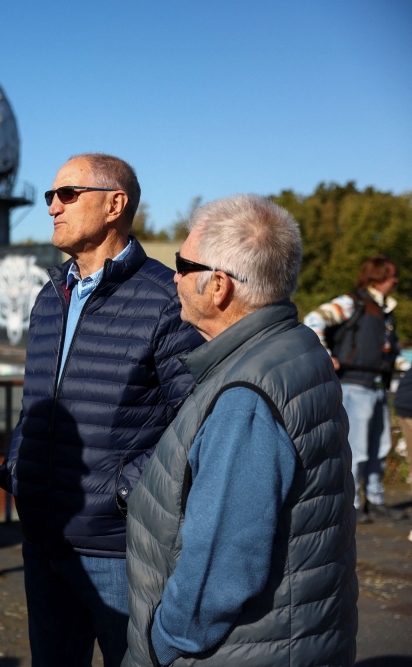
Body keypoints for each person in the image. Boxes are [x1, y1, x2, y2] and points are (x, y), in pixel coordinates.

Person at [123, 195, 358, 667]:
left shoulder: (245, 398)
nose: (173, 277)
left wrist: (161, 644)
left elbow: (220, 572)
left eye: (182, 264)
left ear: (219, 287)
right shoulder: (291, 348)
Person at [0, 154, 203, 667]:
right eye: (50, 196)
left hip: (118, 548)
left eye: (67, 194)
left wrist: (125, 490)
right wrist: (18, 468)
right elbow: (36, 403)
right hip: (45, 538)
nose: (51, 208)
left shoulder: (164, 298)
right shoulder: (51, 296)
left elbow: (196, 419)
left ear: (115, 205)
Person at [304, 255, 409, 521]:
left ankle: (374, 499)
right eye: (392, 275)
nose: (396, 280)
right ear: (379, 276)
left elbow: (389, 351)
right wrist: (326, 354)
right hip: (354, 385)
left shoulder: (385, 309)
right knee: (357, 447)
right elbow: (313, 319)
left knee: (381, 445)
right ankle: (348, 504)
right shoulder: (352, 302)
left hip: (377, 386)